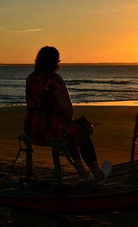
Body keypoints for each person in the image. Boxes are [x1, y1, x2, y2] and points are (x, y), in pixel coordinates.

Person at [24, 46, 111, 183]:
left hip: (32, 126)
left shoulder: (30, 78)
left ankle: (83, 173)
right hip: (49, 128)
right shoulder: (54, 79)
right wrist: (68, 120)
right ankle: (97, 174)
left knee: (71, 131)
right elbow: (68, 110)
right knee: (80, 129)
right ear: (55, 62)